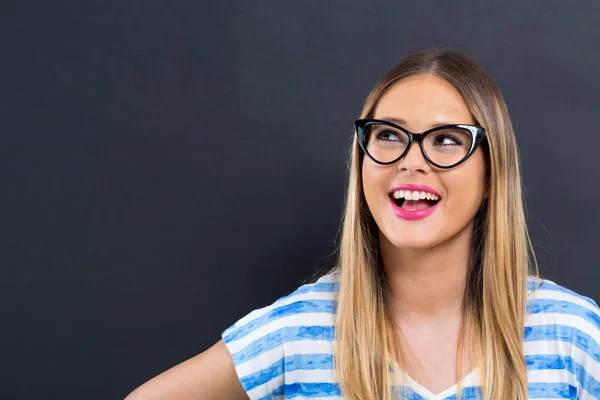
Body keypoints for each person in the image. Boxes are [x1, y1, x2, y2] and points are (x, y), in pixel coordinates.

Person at [125, 49, 600, 400]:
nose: (411, 162)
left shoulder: (572, 335)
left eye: (447, 141)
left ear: (493, 173)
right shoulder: (301, 329)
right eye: (388, 135)